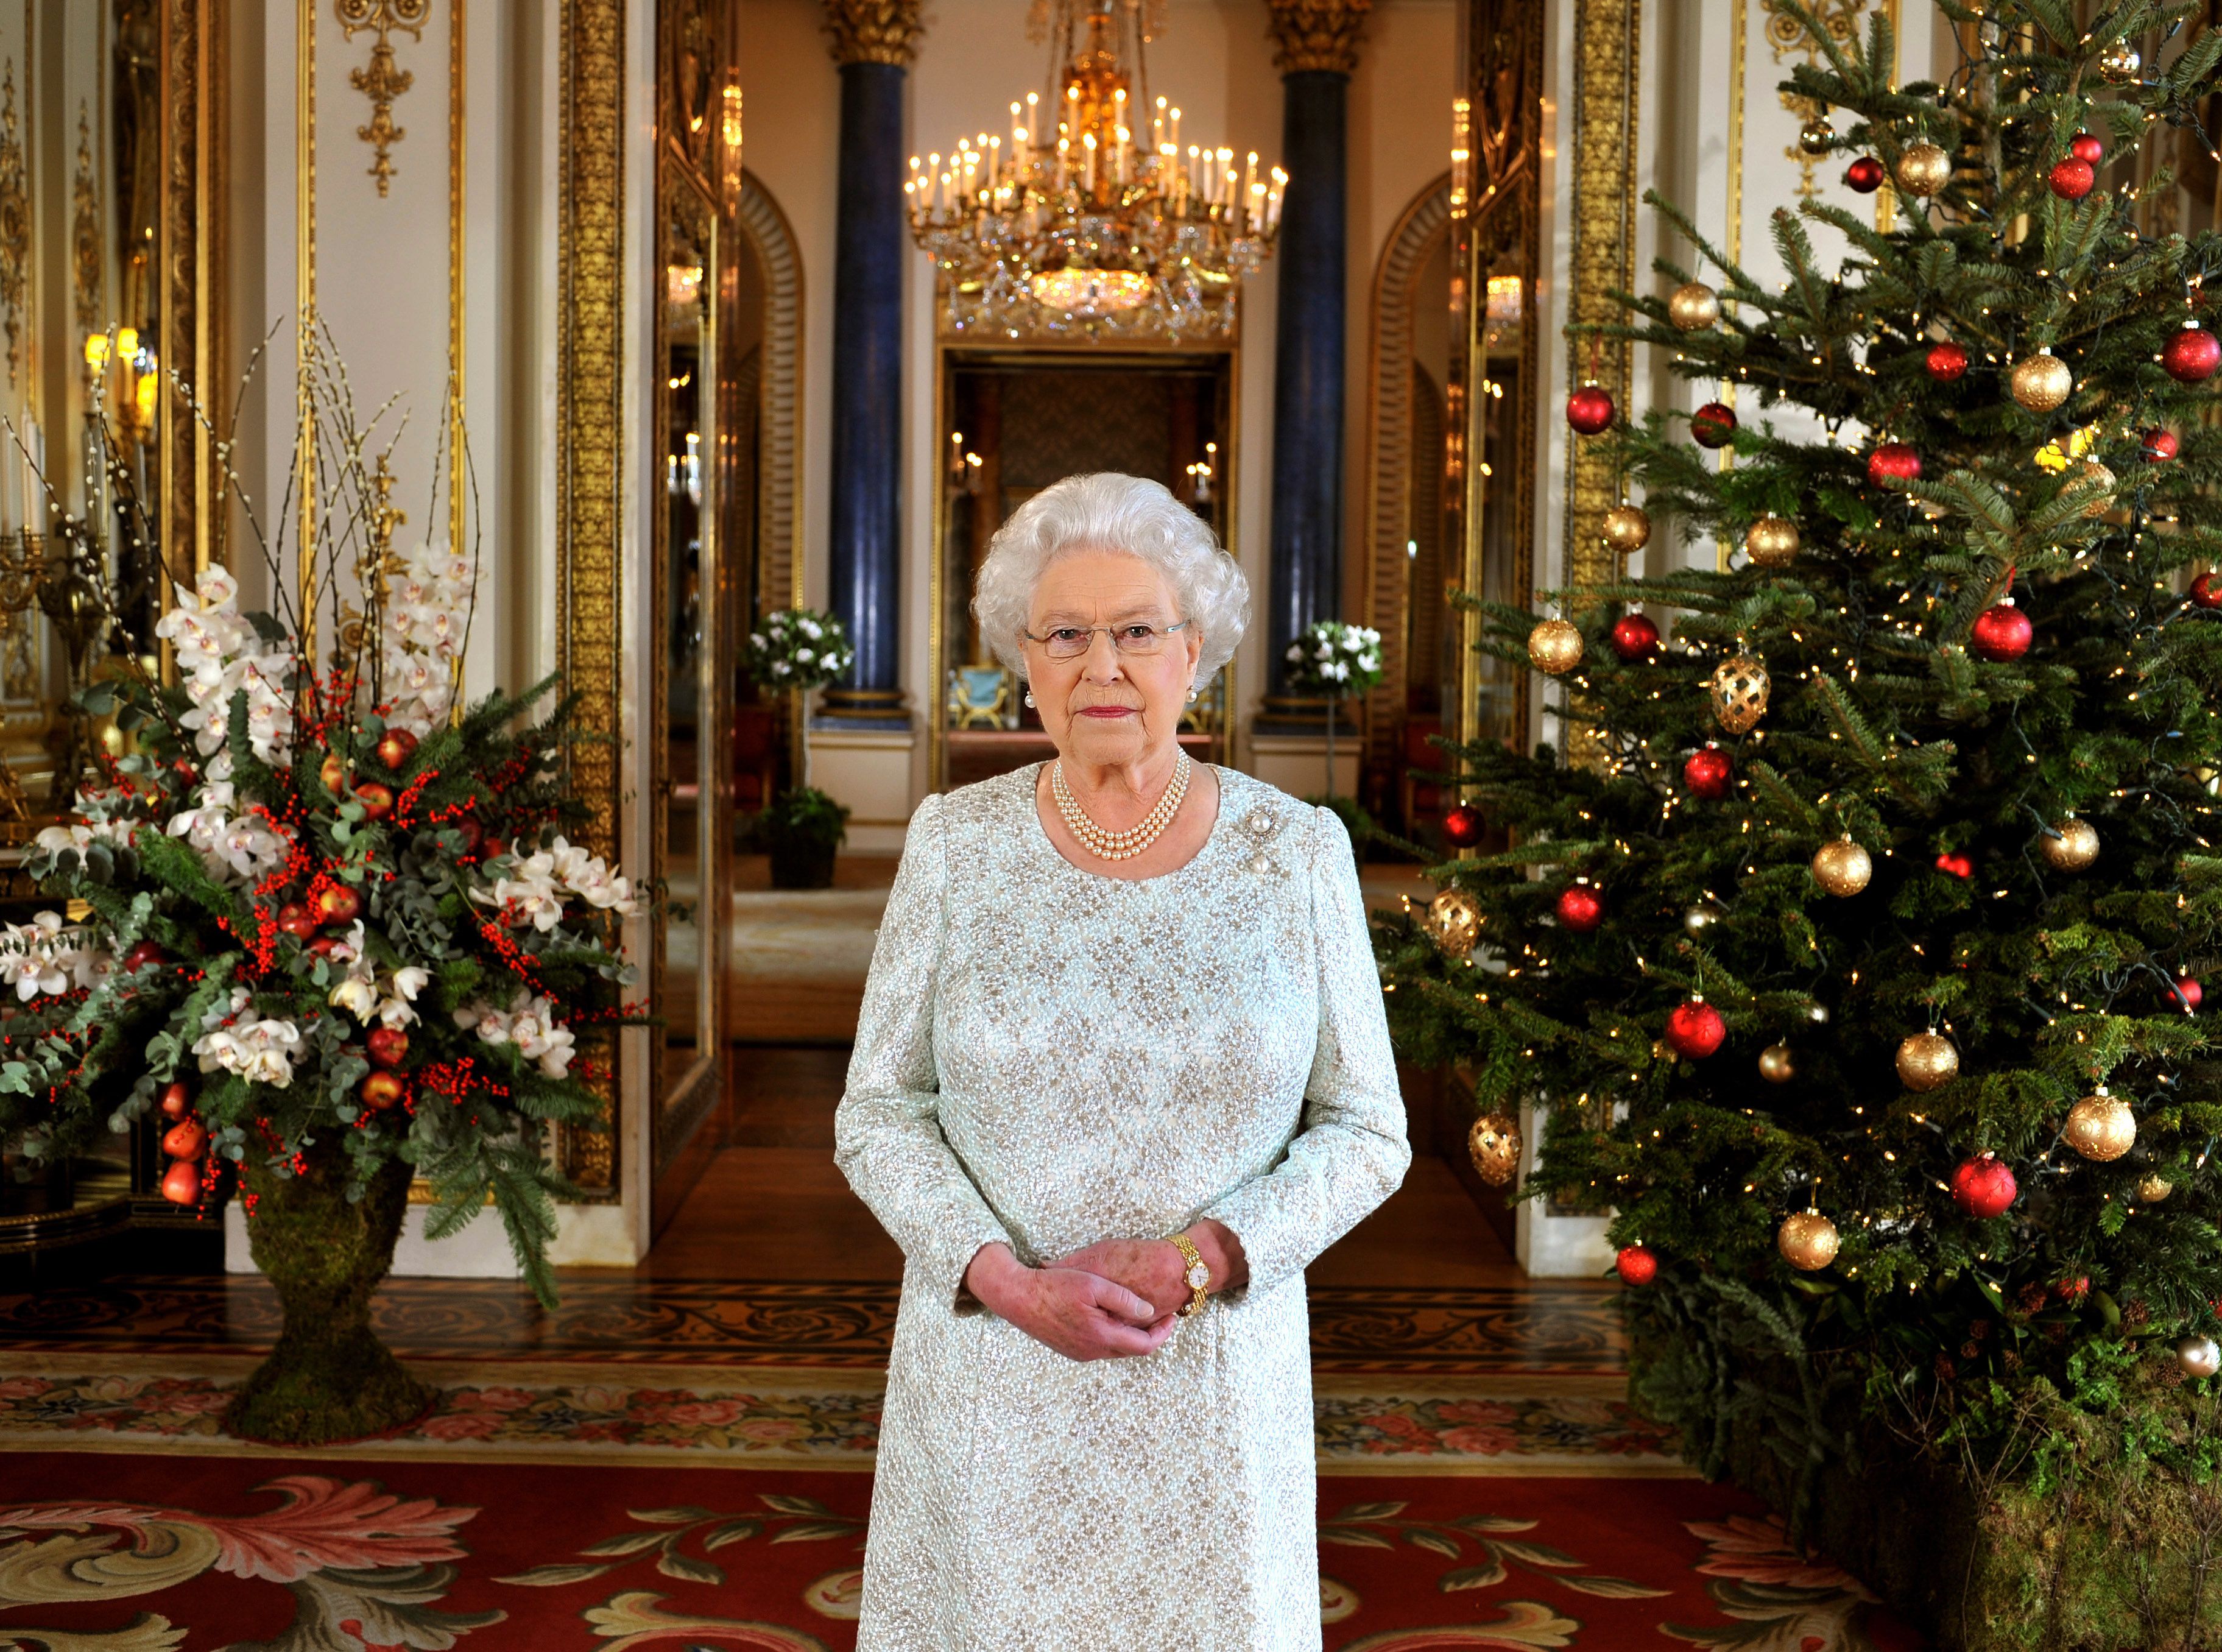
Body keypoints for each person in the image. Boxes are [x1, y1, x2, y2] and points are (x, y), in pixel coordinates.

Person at [834, 471, 1410, 1650]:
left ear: (1193, 653)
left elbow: (1367, 1130)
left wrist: (1207, 1257)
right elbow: (878, 1114)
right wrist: (1004, 1279)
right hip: (994, 1382)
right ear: (1025, 663)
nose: (1105, 667)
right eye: (1068, 635)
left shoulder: (1296, 853)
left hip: (1213, 1388)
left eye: (1138, 631)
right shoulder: (953, 845)